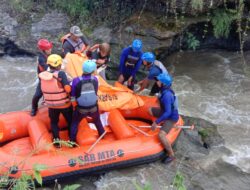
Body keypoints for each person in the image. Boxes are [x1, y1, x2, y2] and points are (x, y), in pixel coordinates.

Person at [39, 54, 72, 148]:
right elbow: (67, 89)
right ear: (59, 65)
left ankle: (57, 143)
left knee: (54, 123)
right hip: (64, 104)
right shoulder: (61, 74)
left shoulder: (43, 75)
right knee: (70, 121)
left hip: (51, 105)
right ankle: (71, 139)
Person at [70, 60, 105, 144]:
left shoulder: (76, 80)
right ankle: (102, 134)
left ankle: (72, 141)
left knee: (74, 122)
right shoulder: (95, 80)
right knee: (97, 121)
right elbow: (95, 92)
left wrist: (73, 105)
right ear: (93, 70)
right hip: (94, 108)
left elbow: (73, 95)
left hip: (81, 109)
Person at [149, 73, 179, 164]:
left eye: (158, 81)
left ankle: (171, 155)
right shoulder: (163, 90)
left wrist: (156, 122)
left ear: (163, 83)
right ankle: (163, 121)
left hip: (171, 117)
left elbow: (168, 112)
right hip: (165, 112)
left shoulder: (167, 95)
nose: (156, 82)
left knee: (161, 135)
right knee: (149, 110)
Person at [30, 39, 52, 116]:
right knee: (37, 95)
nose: (50, 50)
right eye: (48, 49)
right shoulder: (41, 58)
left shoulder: (50, 55)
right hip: (43, 80)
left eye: (50, 48)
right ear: (43, 50)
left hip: (51, 78)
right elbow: (47, 68)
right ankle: (34, 108)